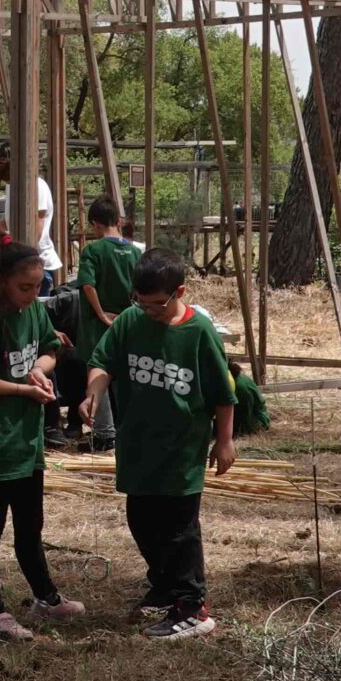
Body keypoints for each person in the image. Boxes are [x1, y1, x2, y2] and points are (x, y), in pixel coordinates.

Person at [82, 250, 236, 640]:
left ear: (179, 292)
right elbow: (102, 362)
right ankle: (165, 585)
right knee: (142, 521)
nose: (148, 310)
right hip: (138, 446)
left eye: (157, 304)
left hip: (182, 449)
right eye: (141, 302)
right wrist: (93, 393)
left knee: (179, 529)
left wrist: (224, 441)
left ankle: (192, 606)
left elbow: (222, 394)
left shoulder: (198, 331)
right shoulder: (130, 322)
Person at [0, 239, 88, 641]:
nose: (33, 295)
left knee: (30, 525)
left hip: (27, 442)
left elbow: (51, 348)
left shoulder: (31, 311)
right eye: (24, 287)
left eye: (37, 286)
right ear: (1, 282)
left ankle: (46, 597)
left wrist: (39, 370)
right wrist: (23, 390)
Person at [71, 196, 144, 453]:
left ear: (95, 224)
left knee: (98, 371)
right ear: (119, 221)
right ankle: (125, 427)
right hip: (127, 323)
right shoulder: (135, 252)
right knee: (124, 375)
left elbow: (87, 284)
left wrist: (101, 314)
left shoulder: (93, 251)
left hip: (98, 326)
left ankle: (103, 433)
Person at [0, 145, 62, 287]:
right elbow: (11, 221)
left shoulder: (37, 186)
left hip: (38, 264)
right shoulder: (12, 187)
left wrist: (9, 243)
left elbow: (36, 231)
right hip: (21, 262)